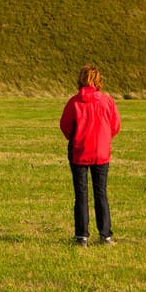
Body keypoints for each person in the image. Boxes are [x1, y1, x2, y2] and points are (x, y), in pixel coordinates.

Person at [59, 64, 121, 245]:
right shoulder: (107, 101)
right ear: (98, 81)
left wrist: (76, 137)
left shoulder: (74, 102)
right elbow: (115, 125)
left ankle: (81, 236)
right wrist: (104, 138)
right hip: (101, 152)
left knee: (81, 194)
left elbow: (65, 126)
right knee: (101, 193)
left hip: (79, 151)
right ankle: (105, 235)